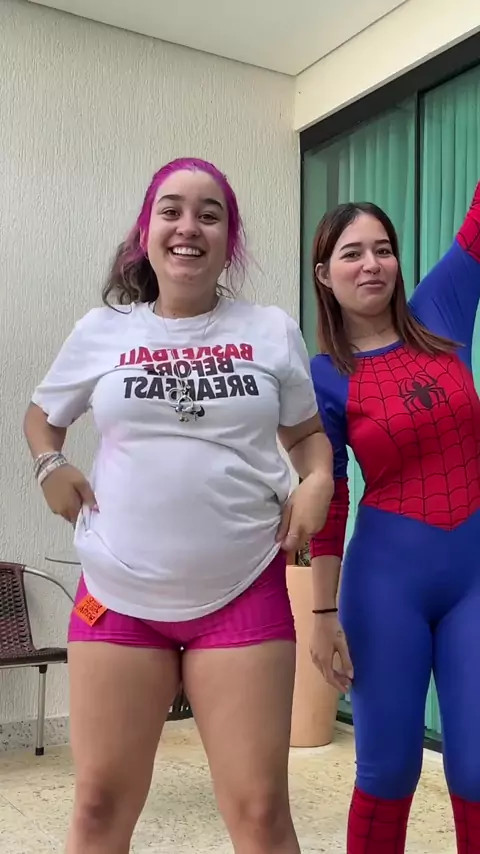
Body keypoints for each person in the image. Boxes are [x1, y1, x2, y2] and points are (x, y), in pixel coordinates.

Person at [24, 157, 334, 854]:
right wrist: (50, 462)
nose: (188, 226)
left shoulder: (270, 328)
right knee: (98, 806)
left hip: (242, 590)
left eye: (208, 214)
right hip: (118, 592)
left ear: (229, 239)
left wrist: (317, 480)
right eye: (171, 210)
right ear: (146, 232)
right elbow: (42, 416)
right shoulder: (103, 330)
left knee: (260, 812)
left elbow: (307, 437)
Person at [307, 182, 480, 853]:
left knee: (476, 768)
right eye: (352, 253)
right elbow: (330, 499)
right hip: (385, 587)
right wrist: (322, 616)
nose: (372, 264)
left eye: (383, 249)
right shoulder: (324, 374)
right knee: (388, 770)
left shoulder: (442, 308)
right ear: (325, 274)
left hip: (473, 578)